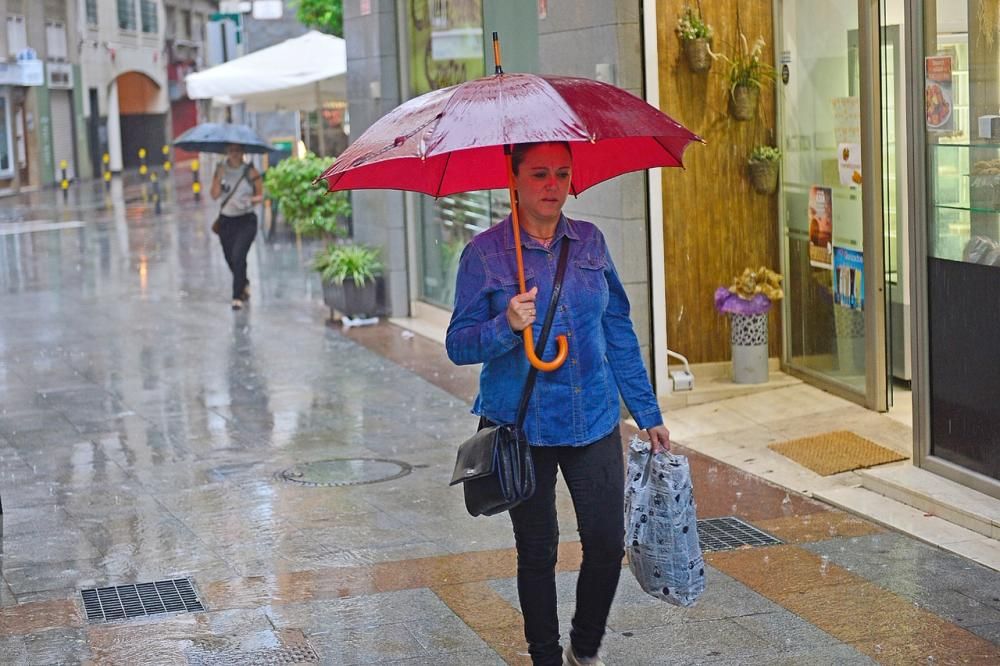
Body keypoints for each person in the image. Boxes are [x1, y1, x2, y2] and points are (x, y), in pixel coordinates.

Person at [445, 142, 671, 666]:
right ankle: (545, 656)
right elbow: (458, 344)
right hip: (520, 426)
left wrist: (648, 414)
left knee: (606, 540)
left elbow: (617, 331)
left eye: (562, 174)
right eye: (540, 174)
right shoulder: (485, 254)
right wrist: (507, 326)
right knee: (538, 547)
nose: (552, 185)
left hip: (592, 415)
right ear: (515, 180)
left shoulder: (589, 243)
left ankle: (584, 649)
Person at [211, 143, 263, 310]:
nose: (234, 154)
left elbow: (260, 195)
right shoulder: (221, 170)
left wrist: (250, 200)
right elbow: (214, 195)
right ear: (227, 152)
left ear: (243, 152)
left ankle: (237, 296)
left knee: (239, 255)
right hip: (227, 221)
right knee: (230, 258)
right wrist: (218, 177)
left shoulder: (250, 171)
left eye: (237, 150)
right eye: (231, 151)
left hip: (246, 220)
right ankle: (243, 282)